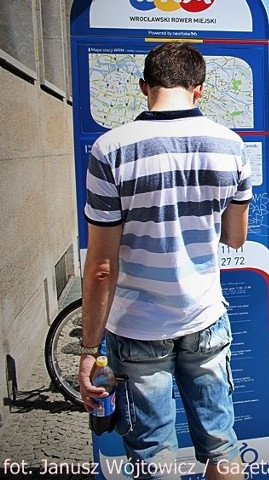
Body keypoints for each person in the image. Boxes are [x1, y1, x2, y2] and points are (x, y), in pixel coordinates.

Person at [78, 43, 250, 479]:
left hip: (136, 326)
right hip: (205, 317)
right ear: (200, 90)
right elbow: (235, 237)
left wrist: (87, 351)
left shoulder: (109, 149)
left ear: (143, 87)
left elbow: (101, 267)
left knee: (153, 454)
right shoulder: (231, 146)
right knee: (222, 447)